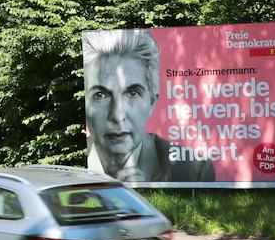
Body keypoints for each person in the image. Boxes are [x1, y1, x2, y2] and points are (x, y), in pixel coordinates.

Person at [83, 28, 214, 184]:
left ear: (152, 102)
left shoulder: (195, 170)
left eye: (132, 93)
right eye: (100, 95)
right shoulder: (73, 164)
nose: (117, 116)